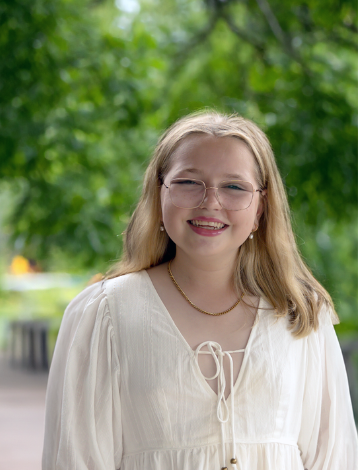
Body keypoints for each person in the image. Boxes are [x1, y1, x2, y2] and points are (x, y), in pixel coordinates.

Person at [42, 111, 358, 470]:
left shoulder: (300, 313)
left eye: (234, 187)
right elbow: (75, 459)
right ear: (159, 194)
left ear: (260, 208)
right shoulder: (106, 313)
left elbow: (335, 459)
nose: (210, 202)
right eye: (189, 182)